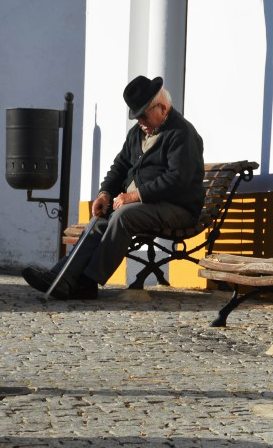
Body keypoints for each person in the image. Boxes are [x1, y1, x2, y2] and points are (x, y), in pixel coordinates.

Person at [22, 75, 205, 300]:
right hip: (146, 206)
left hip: (178, 207)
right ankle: (60, 277)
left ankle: (88, 282)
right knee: (101, 218)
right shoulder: (137, 133)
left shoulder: (182, 133)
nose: (140, 122)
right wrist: (105, 194)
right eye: (136, 117)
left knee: (124, 216)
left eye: (143, 115)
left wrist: (134, 196)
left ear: (162, 107)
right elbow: (119, 167)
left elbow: (178, 180)